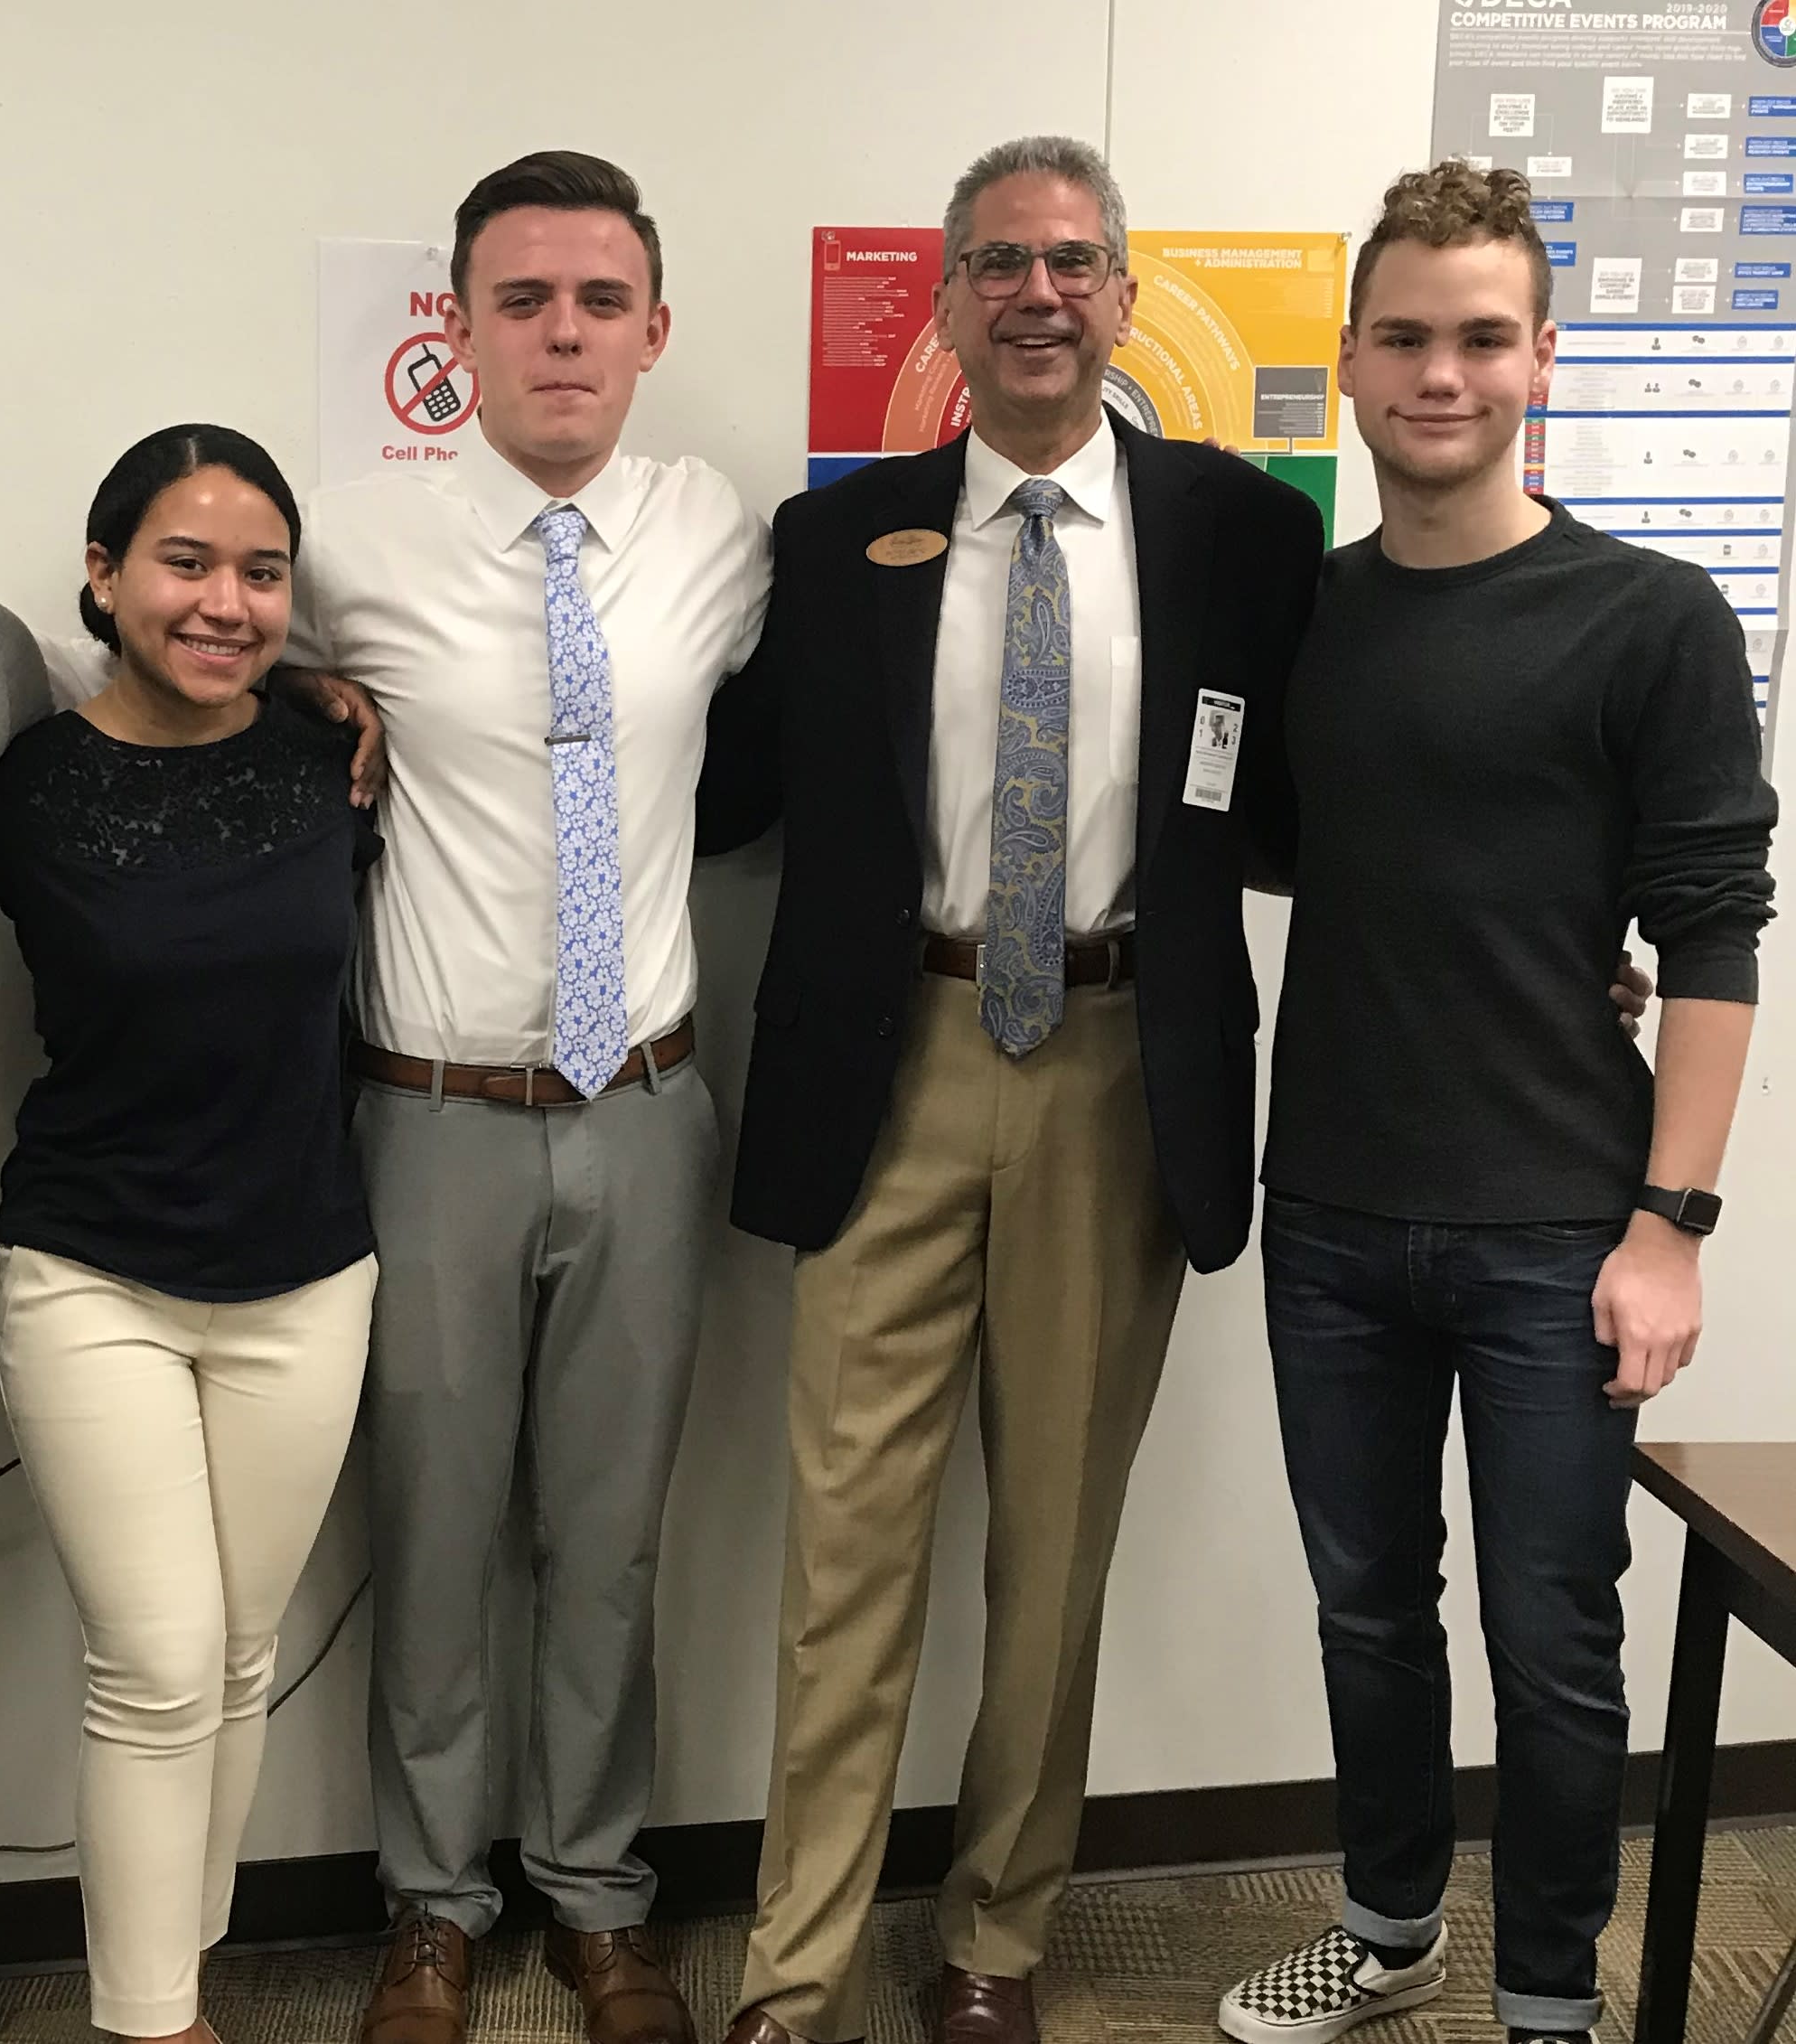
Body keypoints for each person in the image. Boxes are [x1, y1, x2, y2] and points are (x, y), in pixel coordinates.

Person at [697, 136, 1328, 2044]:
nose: (1040, 294)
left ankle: (993, 1943)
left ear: (1127, 298)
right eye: (1000, 264)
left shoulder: (1242, 536)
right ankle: (796, 1970)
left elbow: (1339, 796)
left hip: (1125, 1070)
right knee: (847, 1554)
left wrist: (1556, 923)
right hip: (888, 1065)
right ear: (950, 308)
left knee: (1054, 1552)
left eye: (1075, 261)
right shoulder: (837, 541)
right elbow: (712, 792)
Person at [1214, 162, 1775, 2044]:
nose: (1439, 372)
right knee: (1368, 1618)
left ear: (1540, 358)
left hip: (1561, 1227)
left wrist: (1668, 1232)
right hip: (1335, 1218)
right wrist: (1523, 925)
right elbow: (1308, 845)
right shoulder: (1310, 617)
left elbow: (1713, 943)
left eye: (1480, 336)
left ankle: (1547, 1998)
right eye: (1405, 336)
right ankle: (1388, 1930)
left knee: (1553, 1649)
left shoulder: (1652, 619)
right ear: (1355, 362)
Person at [292, 151, 770, 2044]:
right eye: (521, 301)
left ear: (653, 330)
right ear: (463, 327)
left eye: (597, 303)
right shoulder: (344, 541)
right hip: (430, 1122)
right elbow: (177, 670)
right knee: (425, 1523)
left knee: (610, 1531)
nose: (561, 334)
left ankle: (597, 1893)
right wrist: (308, 713)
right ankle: (431, 1903)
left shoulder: (713, 531)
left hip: (650, 1109)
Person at [0, 425, 379, 2044]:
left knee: (236, 1654)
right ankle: (151, 2025)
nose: (225, 602)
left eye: (261, 572)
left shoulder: (329, 752)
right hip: (91, 1274)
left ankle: (172, 1973)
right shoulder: (29, 786)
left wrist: (343, 699)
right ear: (103, 574)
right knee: (152, 1660)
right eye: (185, 563)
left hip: (305, 1273)